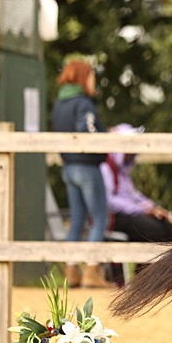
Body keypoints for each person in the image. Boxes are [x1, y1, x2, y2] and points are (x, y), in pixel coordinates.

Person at [50, 59, 112, 288]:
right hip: (87, 166)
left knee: (76, 220)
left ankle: (71, 270)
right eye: (91, 75)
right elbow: (89, 131)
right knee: (100, 219)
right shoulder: (83, 104)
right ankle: (91, 270)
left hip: (68, 167)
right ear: (82, 77)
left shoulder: (60, 104)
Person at [101, 123, 172, 286]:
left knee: (169, 229)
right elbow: (109, 200)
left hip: (129, 214)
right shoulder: (105, 166)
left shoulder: (122, 171)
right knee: (152, 230)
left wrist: (153, 208)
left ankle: (166, 278)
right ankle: (143, 280)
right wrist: (141, 211)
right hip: (113, 217)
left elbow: (134, 195)